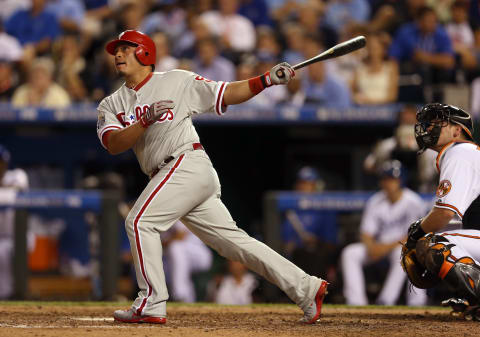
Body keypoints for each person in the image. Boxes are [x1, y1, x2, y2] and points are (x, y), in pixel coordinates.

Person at [96, 30, 327, 324]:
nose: (117, 54)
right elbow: (114, 145)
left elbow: (226, 92)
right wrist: (144, 121)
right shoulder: (111, 104)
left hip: (185, 162)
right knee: (234, 244)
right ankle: (307, 287)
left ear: (145, 53)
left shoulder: (176, 80)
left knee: (140, 221)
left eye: (126, 48)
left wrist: (266, 80)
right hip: (168, 174)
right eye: (116, 50)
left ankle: (151, 301)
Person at [404, 103, 480, 318]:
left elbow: (445, 213)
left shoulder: (460, 152)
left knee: (433, 243)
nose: (429, 128)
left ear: (458, 130)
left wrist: (416, 234)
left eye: (438, 123)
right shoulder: (466, 154)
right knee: (438, 240)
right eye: (429, 124)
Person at [341, 160, 428, 306]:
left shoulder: (413, 201)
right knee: (350, 253)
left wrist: (383, 248)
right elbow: (366, 232)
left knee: (401, 253)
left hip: (403, 246)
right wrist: (371, 247)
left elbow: (414, 236)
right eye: (385, 179)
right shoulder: (375, 201)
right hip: (378, 247)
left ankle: (386, 300)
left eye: (392, 179)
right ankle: (356, 302)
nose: (388, 183)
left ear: (401, 181)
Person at [282, 166, 338, 281]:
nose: (304, 187)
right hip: (292, 257)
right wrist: (291, 244)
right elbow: (281, 242)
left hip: (316, 257)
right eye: (302, 183)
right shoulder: (289, 207)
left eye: (309, 183)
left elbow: (331, 244)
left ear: (316, 186)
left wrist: (316, 241)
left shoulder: (324, 207)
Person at [0, 145, 29, 299]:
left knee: (5, 250)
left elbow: (17, 191)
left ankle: (17, 294)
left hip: (18, 236)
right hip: (2, 238)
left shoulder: (17, 175)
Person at [162, 220, 213, 303]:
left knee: (175, 247)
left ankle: (180, 295)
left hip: (199, 254)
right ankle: (188, 303)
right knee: (180, 269)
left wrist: (161, 243)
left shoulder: (175, 210)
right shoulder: (155, 217)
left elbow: (180, 235)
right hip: (180, 258)